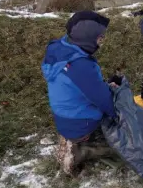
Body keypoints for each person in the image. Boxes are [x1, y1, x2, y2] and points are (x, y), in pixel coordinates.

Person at [41, 10, 121, 177]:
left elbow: (78, 86)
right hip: (81, 123)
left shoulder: (59, 48)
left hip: (65, 118)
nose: (102, 41)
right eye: (100, 37)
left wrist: (102, 86)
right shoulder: (80, 66)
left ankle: (72, 140)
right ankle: (79, 151)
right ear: (87, 38)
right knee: (121, 143)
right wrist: (120, 115)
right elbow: (105, 102)